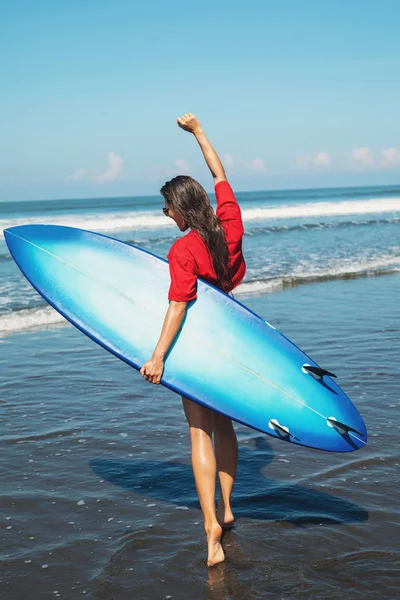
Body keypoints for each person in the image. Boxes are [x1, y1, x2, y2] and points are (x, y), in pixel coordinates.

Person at [140, 113, 246, 566]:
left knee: (198, 432)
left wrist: (158, 356)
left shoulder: (183, 249)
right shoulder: (230, 225)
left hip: (195, 348)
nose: (167, 216)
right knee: (225, 427)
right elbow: (219, 174)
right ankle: (226, 507)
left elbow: (178, 304)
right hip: (231, 344)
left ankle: (211, 534)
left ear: (181, 209)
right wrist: (200, 132)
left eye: (168, 209)